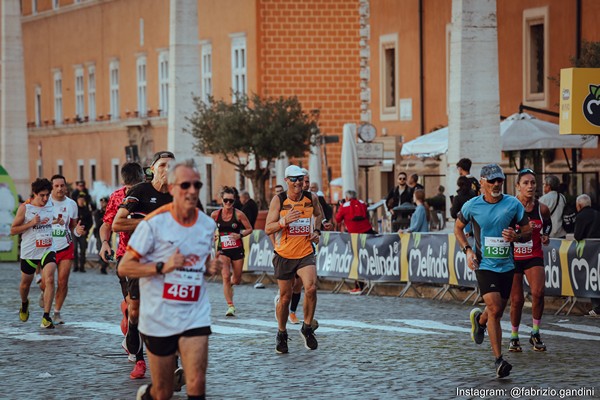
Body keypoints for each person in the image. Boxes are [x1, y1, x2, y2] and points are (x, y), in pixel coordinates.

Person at [119, 160, 221, 400]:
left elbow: (202, 264)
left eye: (197, 184)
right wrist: (162, 266)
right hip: (159, 315)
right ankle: (151, 393)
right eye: (186, 184)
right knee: (164, 390)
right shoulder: (153, 224)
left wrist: (211, 267)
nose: (192, 190)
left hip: (194, 313)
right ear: (173, 188)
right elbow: (126, 266)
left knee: (196, 380)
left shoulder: (207, 224)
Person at [454, 164, 531, 378]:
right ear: (482, 183)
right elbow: (457, 227)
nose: (497, 184)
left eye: (500, 180)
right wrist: (468, 250)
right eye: (492, 181)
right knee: (496, 309)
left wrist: (517, 237)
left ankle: (480, 321)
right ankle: (499, 361)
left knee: (496, 310)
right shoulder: (472, 205)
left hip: (507, 265)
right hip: (484, 264)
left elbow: (527, 230)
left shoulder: (513, 204)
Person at [113, 151, 175, 380]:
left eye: (171, 165)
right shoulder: (140, 191)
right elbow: (117, 224)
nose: (167, 169)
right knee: (136, 312)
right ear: (152, 168)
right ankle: (139, 360)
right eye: (162, 165)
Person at [265, 164, 322, 354]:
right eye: (294, 179)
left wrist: (316, 231)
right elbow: (268, 228)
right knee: (285, 297)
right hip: (284, 254)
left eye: (301, 178)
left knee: (311, 288)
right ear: (286, 181)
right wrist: (284, 221)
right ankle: (281, 333)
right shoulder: (278, 200)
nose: (298, 182)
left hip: (305, 252)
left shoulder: (311, 198)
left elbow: (319, 214)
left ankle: (307, 328)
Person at [98, 162, 145, 365]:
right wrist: (104, 243)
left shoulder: (151, 193)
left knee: (144, 306)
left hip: (151, 255)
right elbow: (107, 224)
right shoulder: (117, 197)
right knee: (135, 306)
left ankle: (137, 343)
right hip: (125, 255)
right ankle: (135, 348)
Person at [509, 168, 551, 353]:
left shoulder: (542, 209)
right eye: (525, 183)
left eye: (533, 182)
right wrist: (520, 233)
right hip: (514, 257)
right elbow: (504, 233)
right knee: (516, 300)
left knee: (539, 292)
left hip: (534, 255)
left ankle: (535, 333)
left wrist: (545, 236)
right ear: (518, 186)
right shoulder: (510, 207)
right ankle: (514, 336)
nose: (530, 186)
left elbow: (547, 226)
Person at [10, 178, 59, 329]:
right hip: (30, 252)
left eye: (47, 195)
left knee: (50, 279)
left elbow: (50, 219)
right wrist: (31, 223)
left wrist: (58, 221)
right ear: (34, 194)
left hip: (47, 248)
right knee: (25, 285)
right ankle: (24, 303)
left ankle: (46, 317)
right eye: (42, 195)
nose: (45, 199)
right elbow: (12, 230)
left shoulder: (50, 203)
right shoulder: (25, 208)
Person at [211, 186, 253, 317]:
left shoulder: (239, 214)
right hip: (222, 250)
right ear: (221, 200)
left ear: (234, 201)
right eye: (226, 200)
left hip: (237, 250)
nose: (228, 203)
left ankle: (231, 285)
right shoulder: (215, 215)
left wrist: (239, 235)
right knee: (225, 276)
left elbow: (249, 229)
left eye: (231, 201)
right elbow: (207, 229)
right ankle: (230, 305)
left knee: (236, 279)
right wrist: (212, 235)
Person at [47, 174, 82, 324]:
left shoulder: (72, 204)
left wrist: (77, 231)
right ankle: (44, 293)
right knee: (47, 282)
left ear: (66, 187)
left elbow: (73, 226)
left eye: (62, 185)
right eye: (56, 186)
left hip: (66, 246)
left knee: (63, 281)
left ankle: (56, 312)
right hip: (47, 247)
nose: (60, 189)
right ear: (51, 188)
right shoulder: (45, 202)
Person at [335, 189, 375, 294]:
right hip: (367, 233)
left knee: (357, 260)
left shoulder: (344, 206)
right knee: (366, 258)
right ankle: (367, 283)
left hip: (355, 236)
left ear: (347, 197)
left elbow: (337, 219)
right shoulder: (362, 203)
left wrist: (341, 206)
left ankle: (359, 286)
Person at [573, 194, 600, 317]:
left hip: (589, 253)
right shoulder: (597, 213)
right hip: (597, 250)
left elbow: (578, 236)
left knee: (592, 279)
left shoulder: (581, 216)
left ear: (579, 205)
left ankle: (597, 308)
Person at [73, 193, 93, 272]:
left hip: (83, 232)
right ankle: (75, 266)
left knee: (83, 249)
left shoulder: (87, 210)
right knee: (74, 249)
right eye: (79, 200)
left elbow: (90, 222)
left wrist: (86, 230)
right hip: (75, 232)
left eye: (82, 200)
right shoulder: (74, 210)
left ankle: (82, 266)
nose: (81, 201)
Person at [93, 197, 109, 274]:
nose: (103, 204)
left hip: (108, 233)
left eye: (104, 202)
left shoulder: (109, 212)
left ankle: (104, 265)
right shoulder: (97, 212)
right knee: (100, 249)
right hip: (99, 233)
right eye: (101, 202)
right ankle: (102, 265)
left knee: (108, 250)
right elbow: (98, 223)